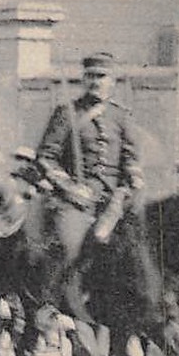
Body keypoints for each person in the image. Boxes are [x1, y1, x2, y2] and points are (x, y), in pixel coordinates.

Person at [35, 52, 143, 242]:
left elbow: (130, 158)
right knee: (71, 249)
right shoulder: (66, 113)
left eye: (101, 76)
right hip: (75, 199)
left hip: (115, 199)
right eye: (90, 76)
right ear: (83, 79)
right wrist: (70, 187)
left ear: (112, 81)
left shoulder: (121, 116)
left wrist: (131, 183)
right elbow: (46, 157)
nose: (95, 82)